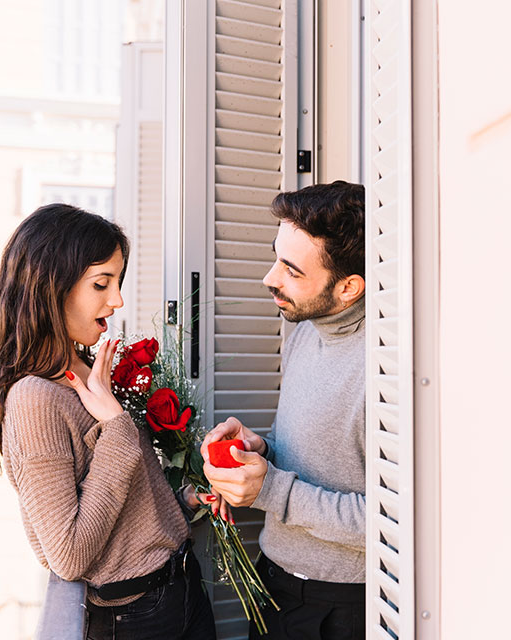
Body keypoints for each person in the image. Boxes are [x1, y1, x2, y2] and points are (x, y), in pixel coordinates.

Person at [0, 203, 216, 640]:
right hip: (134, 618)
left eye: (117, 283)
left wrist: (187, 500)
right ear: (51, 287)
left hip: (182, 587)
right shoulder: (34, 399)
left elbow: (125, 515)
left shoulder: (91, 373)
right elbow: (70, 555)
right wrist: (118, 427)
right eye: (101, 284)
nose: (116, 300)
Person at [201, 181, 367, 640]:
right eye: (276, 258)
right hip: (273, 586)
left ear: (348, 287)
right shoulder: (307, 333)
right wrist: (261, 450)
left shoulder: (385, 370)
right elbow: (315, 454)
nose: (269, 278)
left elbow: (389, 522)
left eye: (291, 270)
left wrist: (271, 490)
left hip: (341, 609)